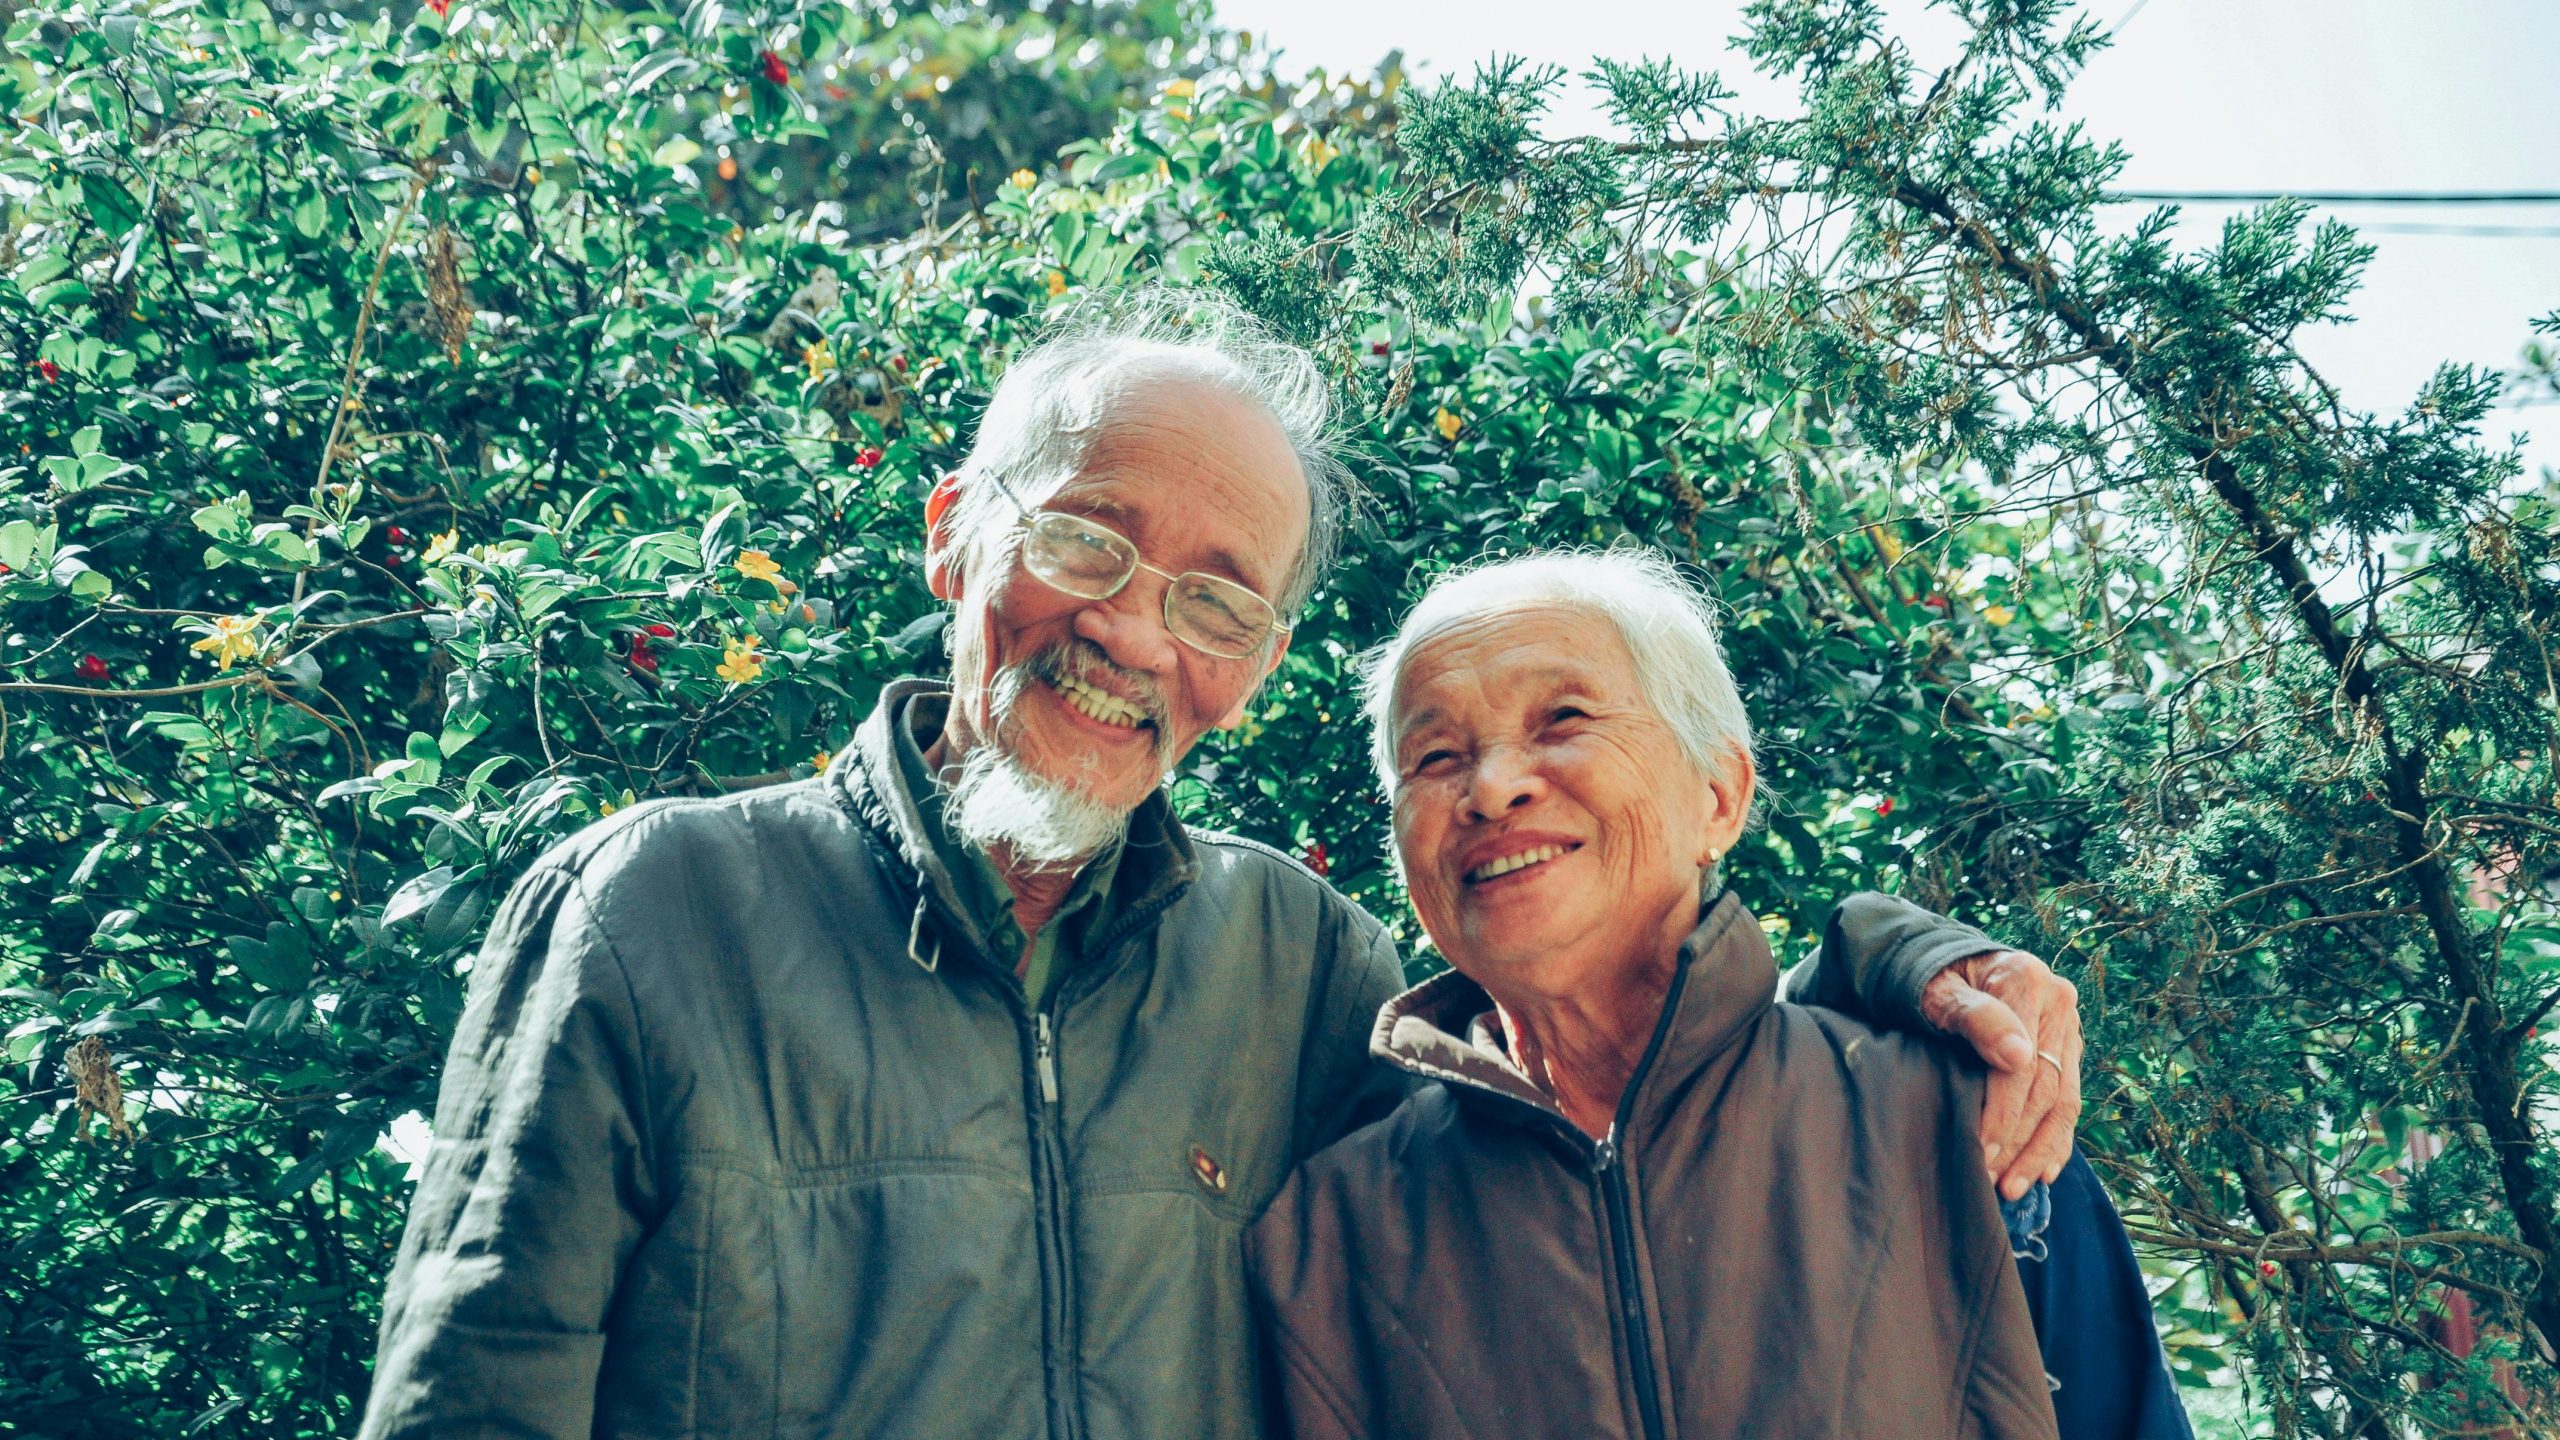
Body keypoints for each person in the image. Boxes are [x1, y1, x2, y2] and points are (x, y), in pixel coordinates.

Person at [358, 294, 2090, 1440]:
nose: (1127, 627)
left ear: (1253, 664)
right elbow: (473, 1400)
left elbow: (1645, 1125)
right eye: (1085, 536)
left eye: (1214, 597)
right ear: (960, 529)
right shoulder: (656, 909)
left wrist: (1892, 959)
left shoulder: (1301, 964)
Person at [1246, 550, 2191, 1440]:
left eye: (1564, 719)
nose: (1492, 789)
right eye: (1436, 757)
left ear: (1720, 797)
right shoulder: (1331, 1235)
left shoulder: (1961, 1118)